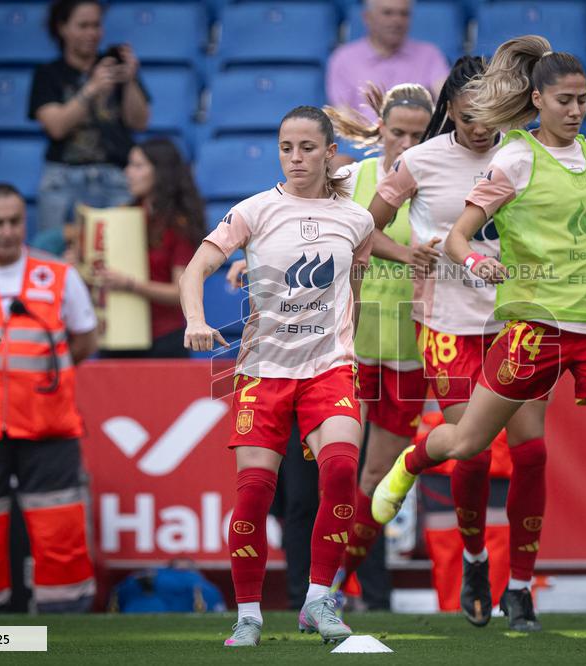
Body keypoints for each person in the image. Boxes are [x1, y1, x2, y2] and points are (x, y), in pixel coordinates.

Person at [372, 35, 586, 618]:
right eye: (566, 100)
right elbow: (457, 235)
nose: (577, 109)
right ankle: (415, 463)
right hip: (529, 327)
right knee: (471, 446)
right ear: (538, 100)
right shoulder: (511, 159)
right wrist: (472, 258)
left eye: (583, 99)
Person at [364, 56, 549, 631]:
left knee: (532, 454)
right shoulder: (418, 161)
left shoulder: (524, 155)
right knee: (469, 447)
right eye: (467, 116)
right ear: (450, 109)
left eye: (489, 116)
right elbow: (363, 229)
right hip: (446, 323)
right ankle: (474, 561)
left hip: (519, 319)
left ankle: (519, 588)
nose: (478, 128)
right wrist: (405, 252)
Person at [180, 106, 373, 647]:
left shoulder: (357, 220)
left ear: (330, 153)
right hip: (263, 372)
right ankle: (248, 614)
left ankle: (318, 601)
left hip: (328, 369)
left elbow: (350, 290)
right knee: (255, 494)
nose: (296, 157)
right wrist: (196, 319)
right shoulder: (254, 210)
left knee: (340, 470)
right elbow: (195, 267)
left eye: (308, 148)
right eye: (287, 147)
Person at [0, 182, 99, 614]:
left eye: (15, 221)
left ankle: (68, 625)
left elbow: (84, 340)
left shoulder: (59, 275)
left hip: (49, 425)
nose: (8, 231)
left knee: (61, 534)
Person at [323, 82, 434, 609]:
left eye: (419, 134)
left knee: (375, 477)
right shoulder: (352, 179)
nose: (407, 145)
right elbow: (308, 232)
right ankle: (326, 582)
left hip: (411, 354)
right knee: (341, 467)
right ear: (381, 131)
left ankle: (341, 584)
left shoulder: (444, 185)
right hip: (351, 350)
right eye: (398, 133)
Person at [29, 0, 150, 233]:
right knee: (57, 257)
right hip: (63, 179)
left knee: (120, 256)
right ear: (62, 28)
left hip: (116, 177)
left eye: (96, 25)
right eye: (82, 26)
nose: (92, 33)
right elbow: (56, 127)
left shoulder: (114, 67)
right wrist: (91, 89)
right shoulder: (47, 74)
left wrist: (131, 80)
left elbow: (140, 121)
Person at [96, 137, 205, 358]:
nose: (128, 172)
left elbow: (181, 292)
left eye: (137, 166)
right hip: (118, 335)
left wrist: (129, 284)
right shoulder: (123, 214)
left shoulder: (178, 224)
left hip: (163, 340)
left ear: (160, 172)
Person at [326, 0, 449, 122]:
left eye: (403, 14)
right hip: (364, 139)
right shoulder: (344, 59)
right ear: (367, 17)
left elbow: (446, 101)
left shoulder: (430, 55)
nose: (397, 20)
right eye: (387, 13)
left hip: (418, 137)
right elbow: (343, 116)